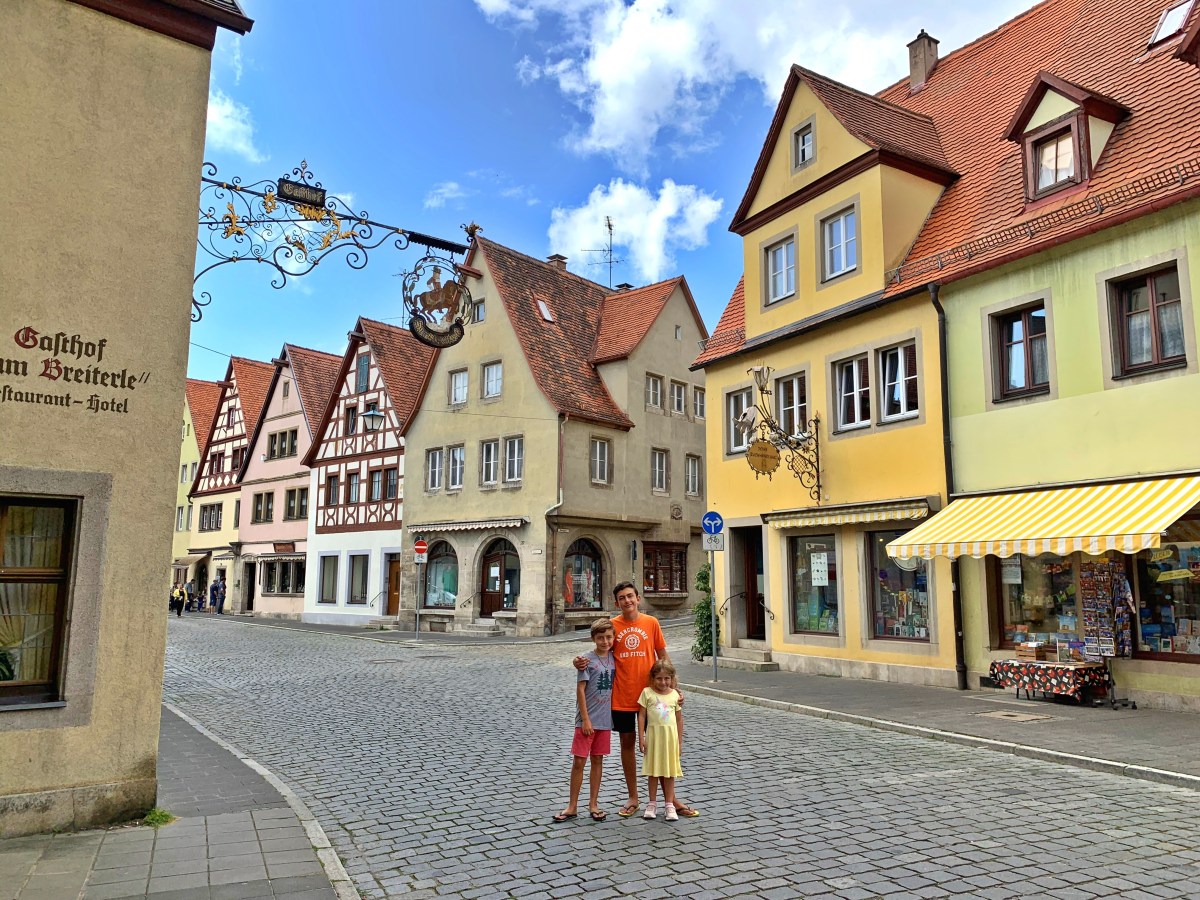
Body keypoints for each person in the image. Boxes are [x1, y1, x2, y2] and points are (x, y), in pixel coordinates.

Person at [574, 582, 698, 818]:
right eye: (622, 598)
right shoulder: (614, 626)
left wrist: (675, 689)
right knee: (628, 746)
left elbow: (662, 656)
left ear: (638, 598)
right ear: (616, 602)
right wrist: (577, 662)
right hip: (621, 696)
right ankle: (633, 796)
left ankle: (670, 800)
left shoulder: (651, 623)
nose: (627, 601)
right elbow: (599, 650)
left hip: (653, 697)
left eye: (630, 596)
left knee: (660, 745)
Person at [553, 618, 616, 823]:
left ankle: (593, 803)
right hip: (586, 720)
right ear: (593, 639)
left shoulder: (615, 658)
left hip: (605, 720)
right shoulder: (587, 660)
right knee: (579, 761)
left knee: (598, 760)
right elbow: (580, 689)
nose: (605, 642)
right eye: (600, 638)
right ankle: (572, 805)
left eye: (609, 637)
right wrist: (586, 719)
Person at [638, 660, 683, 820]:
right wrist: (641, 738)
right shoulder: (647, 693)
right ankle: (652, 803)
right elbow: (641, 715)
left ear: (671, 679)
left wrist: (679, 742)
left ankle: (669, 805)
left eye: (666, 679)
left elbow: (678, 719)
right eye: (659, 678)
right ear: (652, 678)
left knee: (670, 771)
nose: (663, 682)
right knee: (653, 771)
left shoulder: (675, 695)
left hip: (670, 739)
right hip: (654, 738)